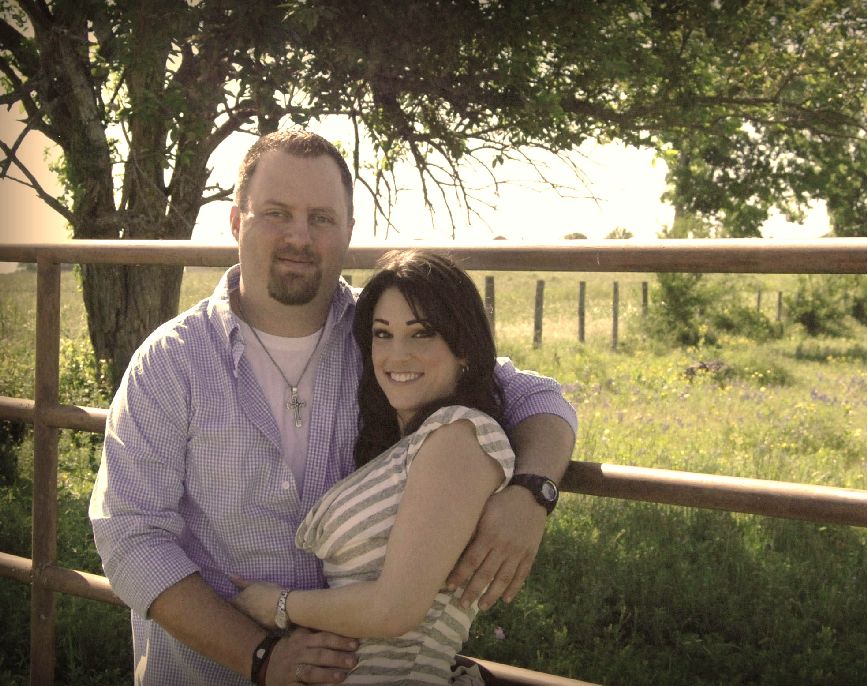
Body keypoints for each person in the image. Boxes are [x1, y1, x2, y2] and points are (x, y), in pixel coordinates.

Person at [89, 130, 577, 686]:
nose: (299, 236)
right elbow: (132, 537)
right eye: (277, 213)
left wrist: (532, 493)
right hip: (210, 673)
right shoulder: (171, 361)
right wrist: (260, 657)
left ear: (348, 230)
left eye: (321, 218)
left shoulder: (387, 337)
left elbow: (537, 397)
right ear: (236, 221)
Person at [231, 249, 536, 684]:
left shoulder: (459, 437)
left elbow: (395, 609)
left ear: (464, 348)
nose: (397, 355)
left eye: (421, 333)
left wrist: (278, 605)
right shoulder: (410, 442)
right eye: (382, 334)